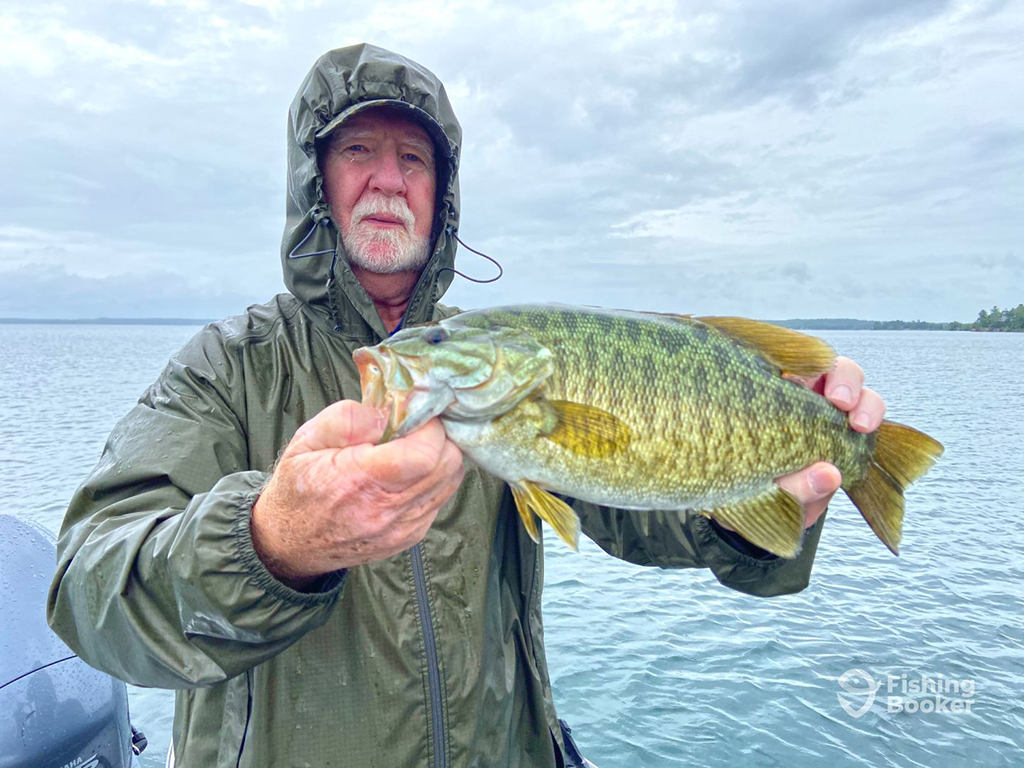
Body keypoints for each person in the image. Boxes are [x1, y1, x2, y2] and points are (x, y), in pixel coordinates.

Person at [47, 43, 886, 768]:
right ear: (315, 182)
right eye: (358, 151)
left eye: (414, 159)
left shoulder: (498, 370)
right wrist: (271, 542)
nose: (387, 179)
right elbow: (89, 589)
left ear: (442, 193)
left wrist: (778, 506)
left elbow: (642, 507)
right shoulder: (228, 367)